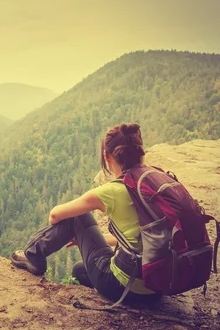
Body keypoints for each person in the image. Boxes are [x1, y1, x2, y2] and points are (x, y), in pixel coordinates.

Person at [10, 123, 161, 305]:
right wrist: (88, 238)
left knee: (77, 216)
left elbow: (55, 215)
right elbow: (142, 238)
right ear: (140, 152)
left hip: (125, 286)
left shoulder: (114, 190)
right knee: (80, 271)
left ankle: (33, 256)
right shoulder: (155, 180)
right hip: (158, 286)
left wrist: (80, 232)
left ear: (107, 156)